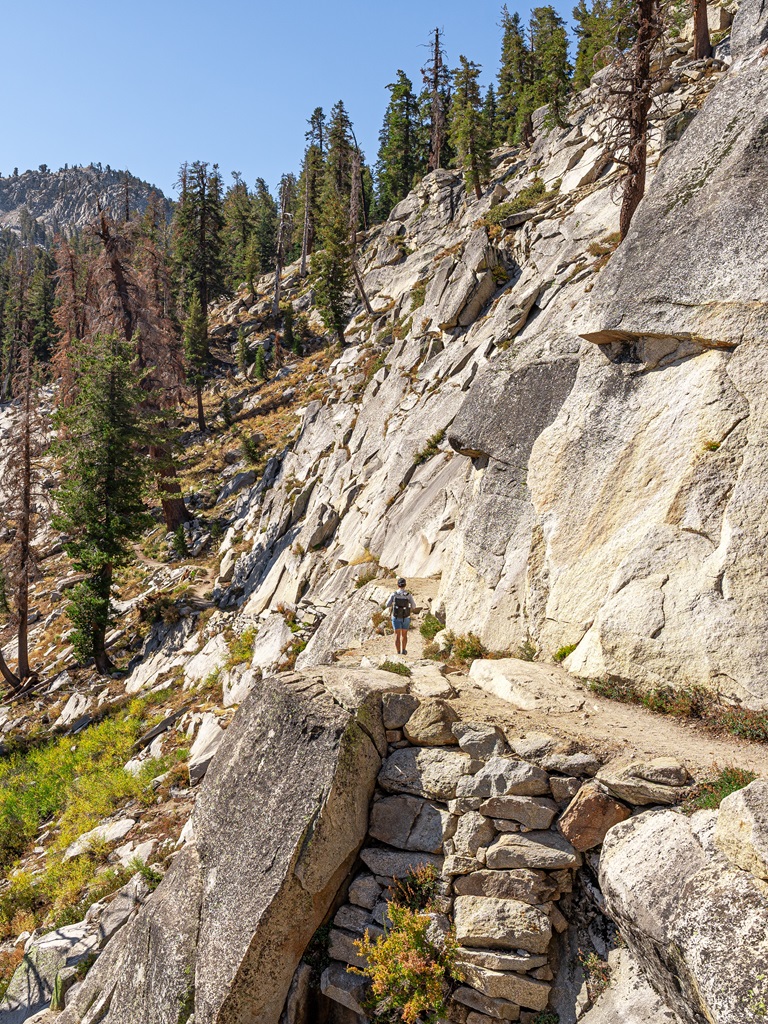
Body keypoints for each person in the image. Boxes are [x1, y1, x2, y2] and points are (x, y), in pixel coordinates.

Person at [385, 578, 416, 655]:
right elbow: (414, 606)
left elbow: (387, 605)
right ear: (405, 585)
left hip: (396, 617)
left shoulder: (394, 594)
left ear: (398, 585)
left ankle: (398, 652)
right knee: (404, 635)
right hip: (405, 617)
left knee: (397, 635)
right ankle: (404, 650)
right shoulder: (408, 595)